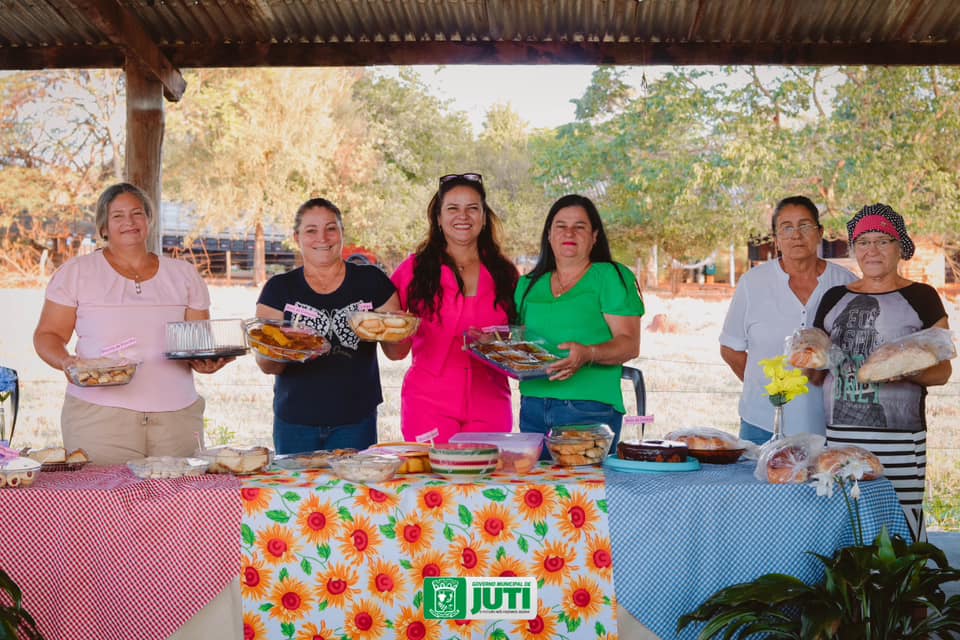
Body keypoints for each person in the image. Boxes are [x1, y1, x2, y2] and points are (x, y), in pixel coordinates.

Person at [33, 183, 232, 464]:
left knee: (178, 504)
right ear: (104, 227)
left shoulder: (184, 275)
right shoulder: (77, 273)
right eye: (118, 216)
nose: (129, 222)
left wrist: (206, 362)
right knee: (102, 503)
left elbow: (197, 344)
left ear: (149, 221)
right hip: (99, 418)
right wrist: (66, 362)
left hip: (177, 418)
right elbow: (47, 334)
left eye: (137, 213)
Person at [813, 203, 951, 541]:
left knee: (899, 527)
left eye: (883, 240)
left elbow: (943, 370)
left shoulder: (921, 296)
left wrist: (905, 372)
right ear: (853, 249)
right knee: (845, 522)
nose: (872, 250)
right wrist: (802, 364)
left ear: (899, 247)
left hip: (900, 441)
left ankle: (901, 595)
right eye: (863, 242)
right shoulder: (833, 297)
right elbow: (816, 371)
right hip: (841, 435)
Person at [256, 198, 406, 455]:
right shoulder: (279, 289)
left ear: (342, 234)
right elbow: (267, 365)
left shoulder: (372, 281)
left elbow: (397, 353)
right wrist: (287, 346)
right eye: (311, 230)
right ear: (297, 237)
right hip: (295, 422)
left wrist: (395, 327)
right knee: (297, 494)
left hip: (356, 420)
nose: (322, 238)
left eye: (331, 228)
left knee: (354, 493)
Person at [391, 173, 519, 443]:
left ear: (484, 217)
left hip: (491, 406)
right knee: (434, 483)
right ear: (438, 218)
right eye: (453, 208)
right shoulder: (412, 271)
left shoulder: (506, 274)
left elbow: (522, 342)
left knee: (487, 484)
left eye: (473, 208)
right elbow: (395, 351)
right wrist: (396, 330)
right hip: (427, 405)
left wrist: (495, 346)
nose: (463, 216)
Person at [720, 196, 856, 445]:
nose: (796, 235)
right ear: (776, 239)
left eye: (805, 226)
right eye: (787, 228)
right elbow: (731, 348)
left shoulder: (845, 283)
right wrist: (769, 388)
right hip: (762, 423)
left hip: (830, 425)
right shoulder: (753, 283)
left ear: (819, 233)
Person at [515, 194, 643, 454]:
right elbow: (516, 342)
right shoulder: (528, 285)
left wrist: (588, 354)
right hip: (533, 406)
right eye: (560, 226)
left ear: (595, 236)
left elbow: (629, 345)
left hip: (589, 408)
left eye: (580, 226)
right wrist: (489, 345)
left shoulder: (610, 277)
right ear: (549, 234)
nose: (569, 232)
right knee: (538, 493)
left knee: (585, 492)